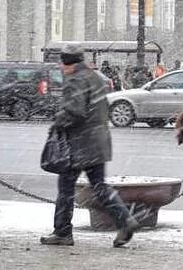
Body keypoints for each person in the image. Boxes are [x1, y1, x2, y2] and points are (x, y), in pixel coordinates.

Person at [39, 42, 140, 249]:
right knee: (100, 186)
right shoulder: (95, 77)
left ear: (67, 63)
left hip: (79, 144)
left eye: (62, 63)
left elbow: (74, 112)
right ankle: (125, 220)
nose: (60, 67)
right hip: (99, 140)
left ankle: (62, 232)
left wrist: (57, 123)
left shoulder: (75, 80)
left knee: (66, 189)